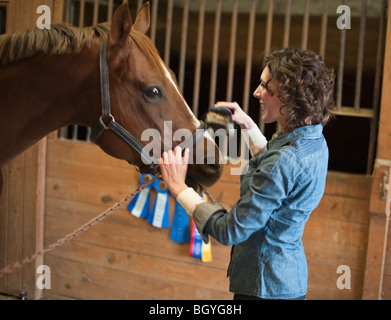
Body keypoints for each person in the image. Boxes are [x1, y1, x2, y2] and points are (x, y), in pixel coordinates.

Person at [159, 47, 335, 300]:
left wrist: (179, 188)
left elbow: (230, 230)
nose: (256, 92)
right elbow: (280, 172)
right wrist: (248, 125)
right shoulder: (313, 140)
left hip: (263, 287)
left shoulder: (285, 159)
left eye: (266, 87)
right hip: (288, 280)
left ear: (289, 97)